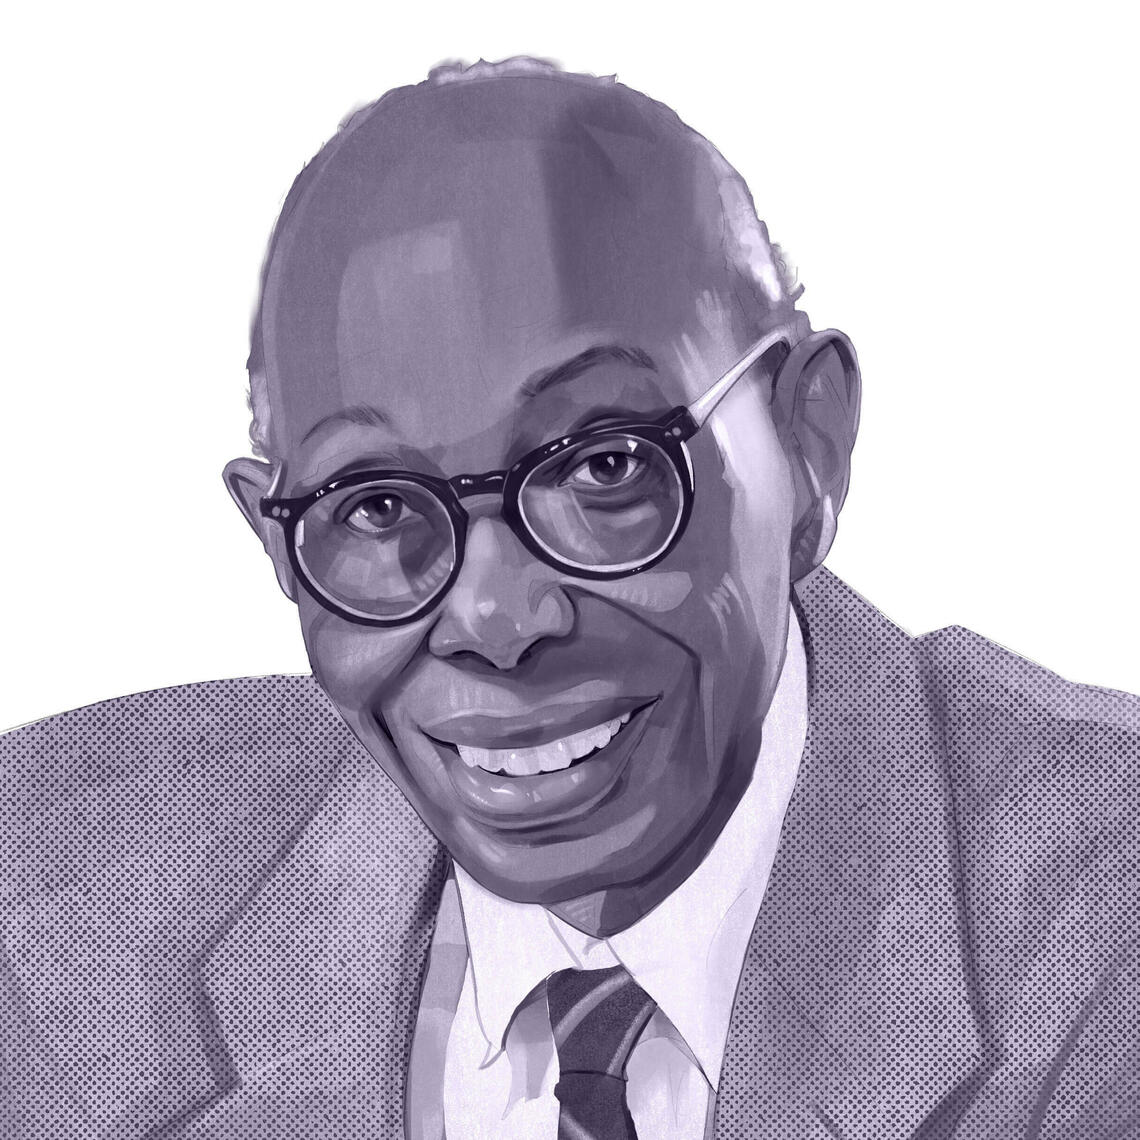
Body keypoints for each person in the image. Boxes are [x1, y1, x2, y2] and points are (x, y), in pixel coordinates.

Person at [3, 57, 1138, 1140]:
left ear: (808, 444)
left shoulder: (1102, 920)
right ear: (276, 541)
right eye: (378, 508)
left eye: (606, 467)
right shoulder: (54, 900)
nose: (496, 620)